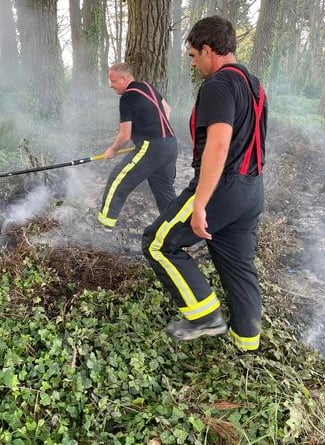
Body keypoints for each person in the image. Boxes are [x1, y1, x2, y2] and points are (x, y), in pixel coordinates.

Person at [142, 16, 267, 352]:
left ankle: (205, 317)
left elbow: (219, 144)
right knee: (239, 266)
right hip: (252, 190)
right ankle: (247, 344)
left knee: (157, 242)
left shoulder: (218, 86)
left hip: (221, 188)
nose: (193, 64)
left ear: (209, 50)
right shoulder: (254, 85)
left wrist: (200, 202)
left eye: (194, 56)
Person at [98, 62, 178, 228]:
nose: (110, 85)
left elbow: (125, 135)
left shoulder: (127, 98)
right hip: (170, 145)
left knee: (117, 179)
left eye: (113, 81)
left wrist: (112, 150)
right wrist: (156, 130)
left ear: (124, 78)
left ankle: (104, 226)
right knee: (164, 189)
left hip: (152, 147)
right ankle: (175, 229)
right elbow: (167, 109)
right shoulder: (147, 87)